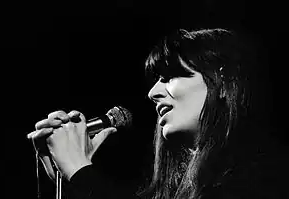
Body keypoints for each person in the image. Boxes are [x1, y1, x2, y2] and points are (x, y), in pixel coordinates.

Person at [28, 28, 285, 198]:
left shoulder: (267, 175)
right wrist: (64, 180)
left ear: (222, 79)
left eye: (169, 76)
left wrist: (80, 171)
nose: (153, 92)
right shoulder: (168, 189)